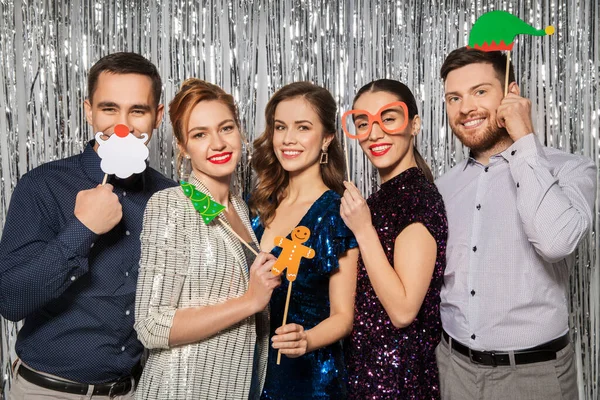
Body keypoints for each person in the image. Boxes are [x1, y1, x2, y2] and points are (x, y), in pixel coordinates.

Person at [0, 52, 177, 399]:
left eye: (137, 111)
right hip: (47, 391)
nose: (122, 125)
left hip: (134, 391)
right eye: (109, 109)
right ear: (88, 110)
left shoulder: (170, 196)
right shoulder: (42, 186)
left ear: (157, 116)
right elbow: (10, 300)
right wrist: (83, 228)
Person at [435, 47, 597, 399]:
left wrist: (524, 141)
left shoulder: (571, 169)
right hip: (452, 368)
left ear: (512, 94)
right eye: (454, 98)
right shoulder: (442, 188)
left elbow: (555, 243)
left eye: (480, 92)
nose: (465, 108)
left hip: (534, 376)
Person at [134, 78, 280, 400]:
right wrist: (249, 302)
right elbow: (151, 325)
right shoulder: (172, 204)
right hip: (181, 389)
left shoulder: (240, 208)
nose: (218, 143)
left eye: (226, 128)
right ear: (183, 147)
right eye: (200, 134)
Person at [249, 81, 359, 400]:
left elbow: (343, 316)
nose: (288, 139)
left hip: (309, 381)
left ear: (326, 139)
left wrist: (307, 339)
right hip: (250, 372)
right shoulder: (258, 204)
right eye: (281, 127)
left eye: (303, 127)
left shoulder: (335, 213)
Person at [340, 79, 447, 399]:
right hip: (365, 375)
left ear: (414, 124)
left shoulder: (418, 200)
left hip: (399, 383)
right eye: (363, 123)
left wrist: (363, 230)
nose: (374, 133)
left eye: (388, 118)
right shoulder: (375, 201)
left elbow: (402, 311)